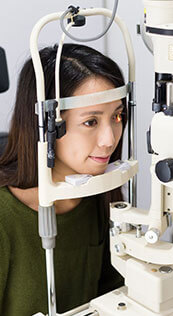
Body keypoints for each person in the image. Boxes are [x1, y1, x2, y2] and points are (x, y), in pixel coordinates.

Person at [0, 43, 127, 315]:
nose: (109, 140)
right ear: (46, 125)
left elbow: (113, 289)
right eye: (91, 122)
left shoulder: (99, 191)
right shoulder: (5, 217)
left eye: (117, 116)